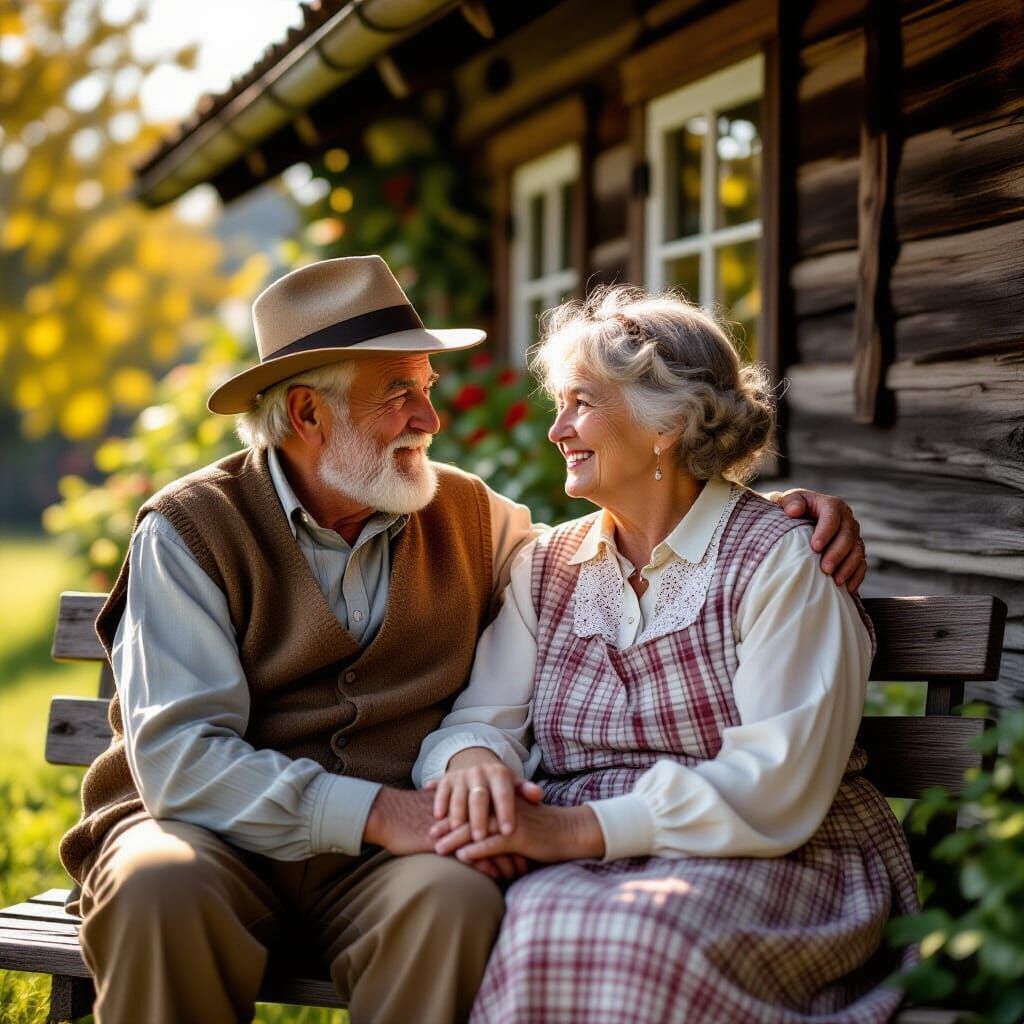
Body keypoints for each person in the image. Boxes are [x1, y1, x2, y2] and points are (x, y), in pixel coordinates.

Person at [60, 256, 869, 1024]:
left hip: (388, 865)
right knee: (156, 886)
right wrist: (390, 807)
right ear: (307, 413)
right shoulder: (191, 531)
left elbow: (649, 542)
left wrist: (755, 506)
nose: (430, 418)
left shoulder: (473, 515)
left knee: (456, 902)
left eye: (425, 388)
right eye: (397, 394)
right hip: (211, 839)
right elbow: (182, 762)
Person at [415, 286, 917, 1024]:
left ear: (666, 424)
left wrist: (572, 830)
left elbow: (774, 783)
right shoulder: (547, 567)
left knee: (631, 936)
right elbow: (483, 717)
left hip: (769, 855)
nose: (556, 430)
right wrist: (476, 765)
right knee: (535, 924)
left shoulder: (780, 561)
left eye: (580, 403)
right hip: (590, 860)